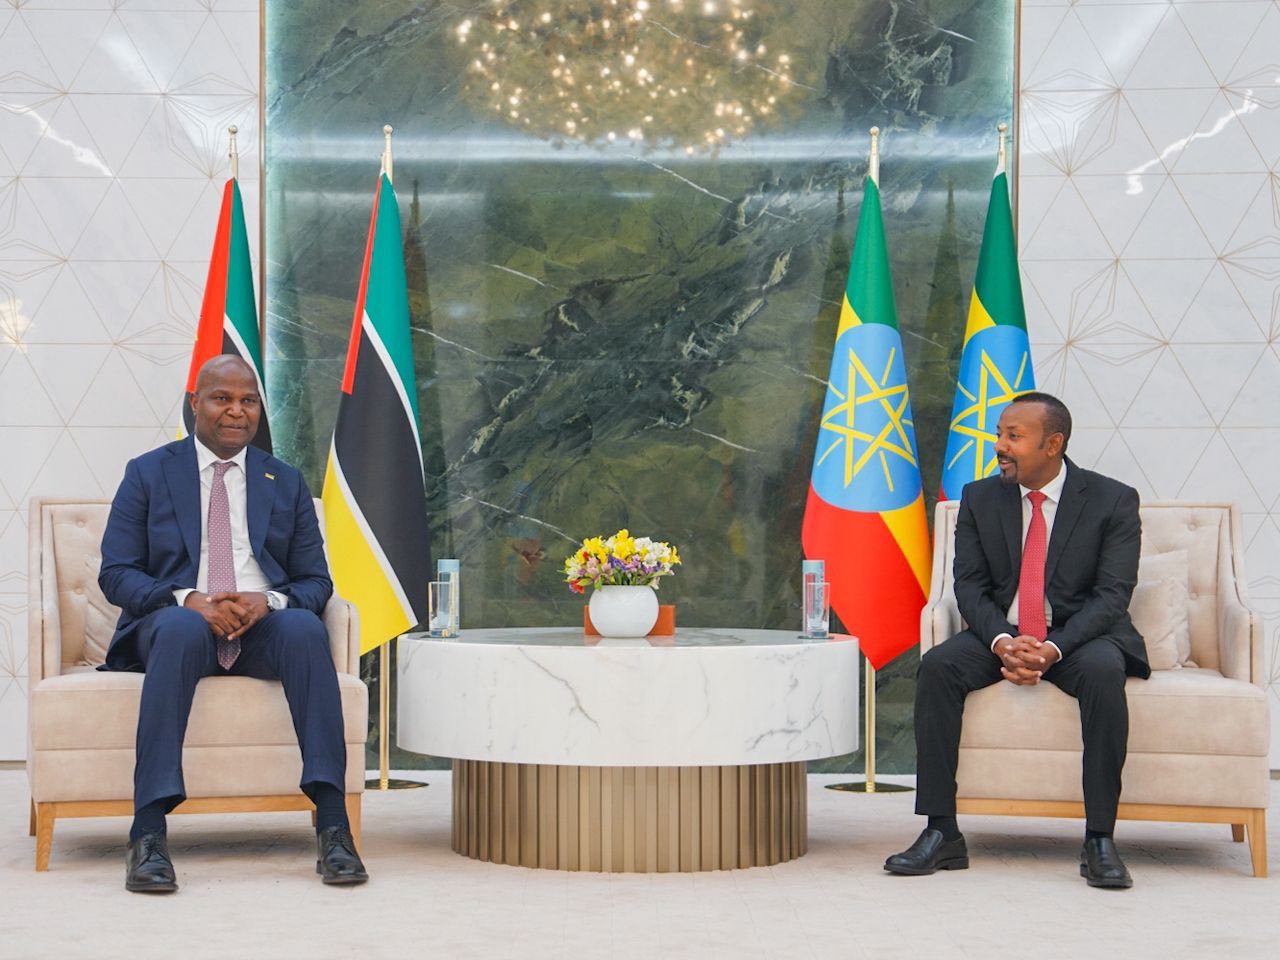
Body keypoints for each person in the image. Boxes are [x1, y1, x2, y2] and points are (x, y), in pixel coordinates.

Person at [99, 354, 368, 893]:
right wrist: (187, 599)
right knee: (179, 629)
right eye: (222, 398)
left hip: (259, 627)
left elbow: (316, 582)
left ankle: (334, 826)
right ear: (195, 403)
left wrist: (268, 600)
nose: (236, 411)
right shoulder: (148, 472)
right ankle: (147, 833)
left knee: (305, 629)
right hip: (177, 624)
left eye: (248, 401)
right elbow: (116, 572)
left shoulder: (283, 480)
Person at [884, 392, 1147, 889]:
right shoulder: (980, 497)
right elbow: (969, 586)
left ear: (1053, 444)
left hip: (1077, 637)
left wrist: (1052, 648)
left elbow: (1112, 596)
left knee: (1104, 672)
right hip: (1000, 633)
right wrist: (1004, 641)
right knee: (938, 666)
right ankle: (941, 831)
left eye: (1013, 436)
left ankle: (1099, 838)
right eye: (999, 434)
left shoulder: (1112, 499)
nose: (999, 446)